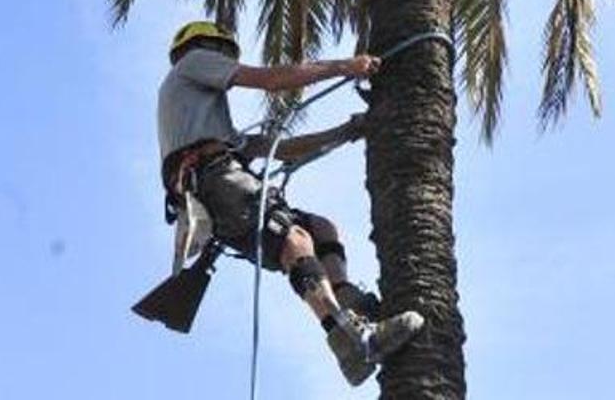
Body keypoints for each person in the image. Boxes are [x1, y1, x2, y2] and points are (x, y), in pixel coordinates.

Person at [157, 20, 424, 386]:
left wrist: (348, 131)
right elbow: (270, 80)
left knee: (320, 229)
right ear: (202, 49)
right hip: (216, 181)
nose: (222, 60)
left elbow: (280, 149)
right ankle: (351, 337)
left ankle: (349, 306)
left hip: (218, 186)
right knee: (294, 240)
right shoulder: (192, 64)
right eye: (222, 53)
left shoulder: (207, 122)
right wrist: (345, 66)